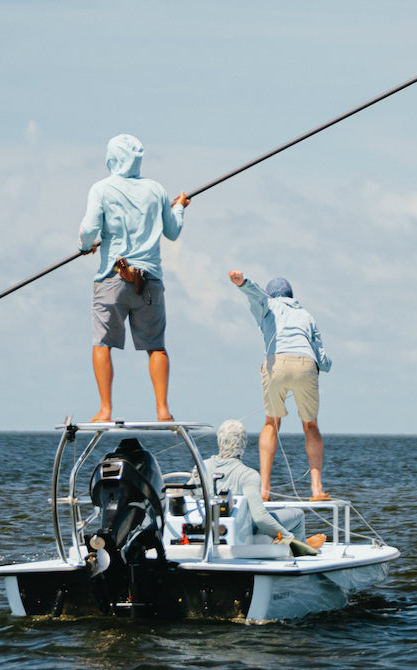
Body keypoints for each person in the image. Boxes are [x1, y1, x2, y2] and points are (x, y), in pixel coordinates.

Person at [78, 134, 190, 422]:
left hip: (113, 276)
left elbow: (89, 230)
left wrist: (85, 245)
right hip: (149, 279)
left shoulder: (101, 189)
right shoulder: (156, 189)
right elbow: (173, 231)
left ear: (112, 158)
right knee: (156, 345)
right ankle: (163, 410)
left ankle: (105, 410)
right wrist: (179, 206)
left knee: (102, 343)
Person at [227, 270, 332, 501]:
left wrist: (243, 283)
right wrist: (326, 365)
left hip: (276, 364)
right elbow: (322, 359)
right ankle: (317, 489)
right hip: (306, 364)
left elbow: (256, 295)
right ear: (291, 295)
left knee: (271, 423)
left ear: (271, 295)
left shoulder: (268, 306)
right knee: (311, 425)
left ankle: (264, 491)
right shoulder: (306, 315)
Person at [196, 420, 325, 554]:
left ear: (219, 440)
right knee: (298, 514)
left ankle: (302, 542)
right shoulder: (248, 475)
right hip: (244, 530)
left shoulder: (200, 468)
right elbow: (260, 519)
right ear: (243, 443)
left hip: (208, 527)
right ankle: (302, 546)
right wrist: (288, 537)